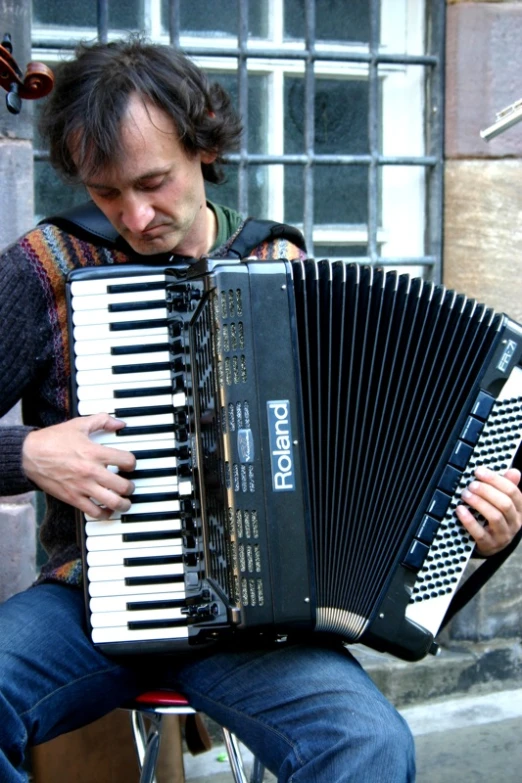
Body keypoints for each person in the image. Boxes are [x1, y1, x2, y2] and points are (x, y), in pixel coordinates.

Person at [0, 37, 521, 783]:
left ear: (203, 146)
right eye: (108, 193)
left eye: (154, 182)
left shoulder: (282, 268)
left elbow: (378, 510)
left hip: (259, 633)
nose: (136, 216)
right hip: (85, 608)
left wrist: (480, 537)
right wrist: (26, 453)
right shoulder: (48, 265)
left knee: (371, 747)